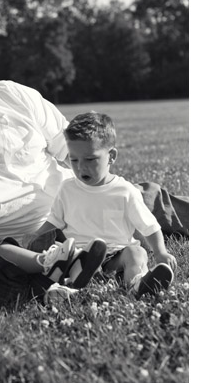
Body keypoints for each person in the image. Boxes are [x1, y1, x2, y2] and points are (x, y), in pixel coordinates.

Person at [0, 73, 187, 298]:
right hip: (33, 246)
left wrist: (107, 192)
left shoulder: (9, 97)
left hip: (75, 200)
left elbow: (69, 146)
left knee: (142, 196)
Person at [31, 112, 175, 297]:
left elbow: (150, 227)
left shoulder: (125, 191)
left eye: (90, 159)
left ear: (111, 156)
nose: (81, 166)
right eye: (74, 160)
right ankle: (67, 289)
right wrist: (34, 237)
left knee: (137, 253)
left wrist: (161, 252)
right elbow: (53, 222)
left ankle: (137, 283)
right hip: (79, 256)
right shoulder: (67, 189)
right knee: (61, 256)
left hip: (116, 255)